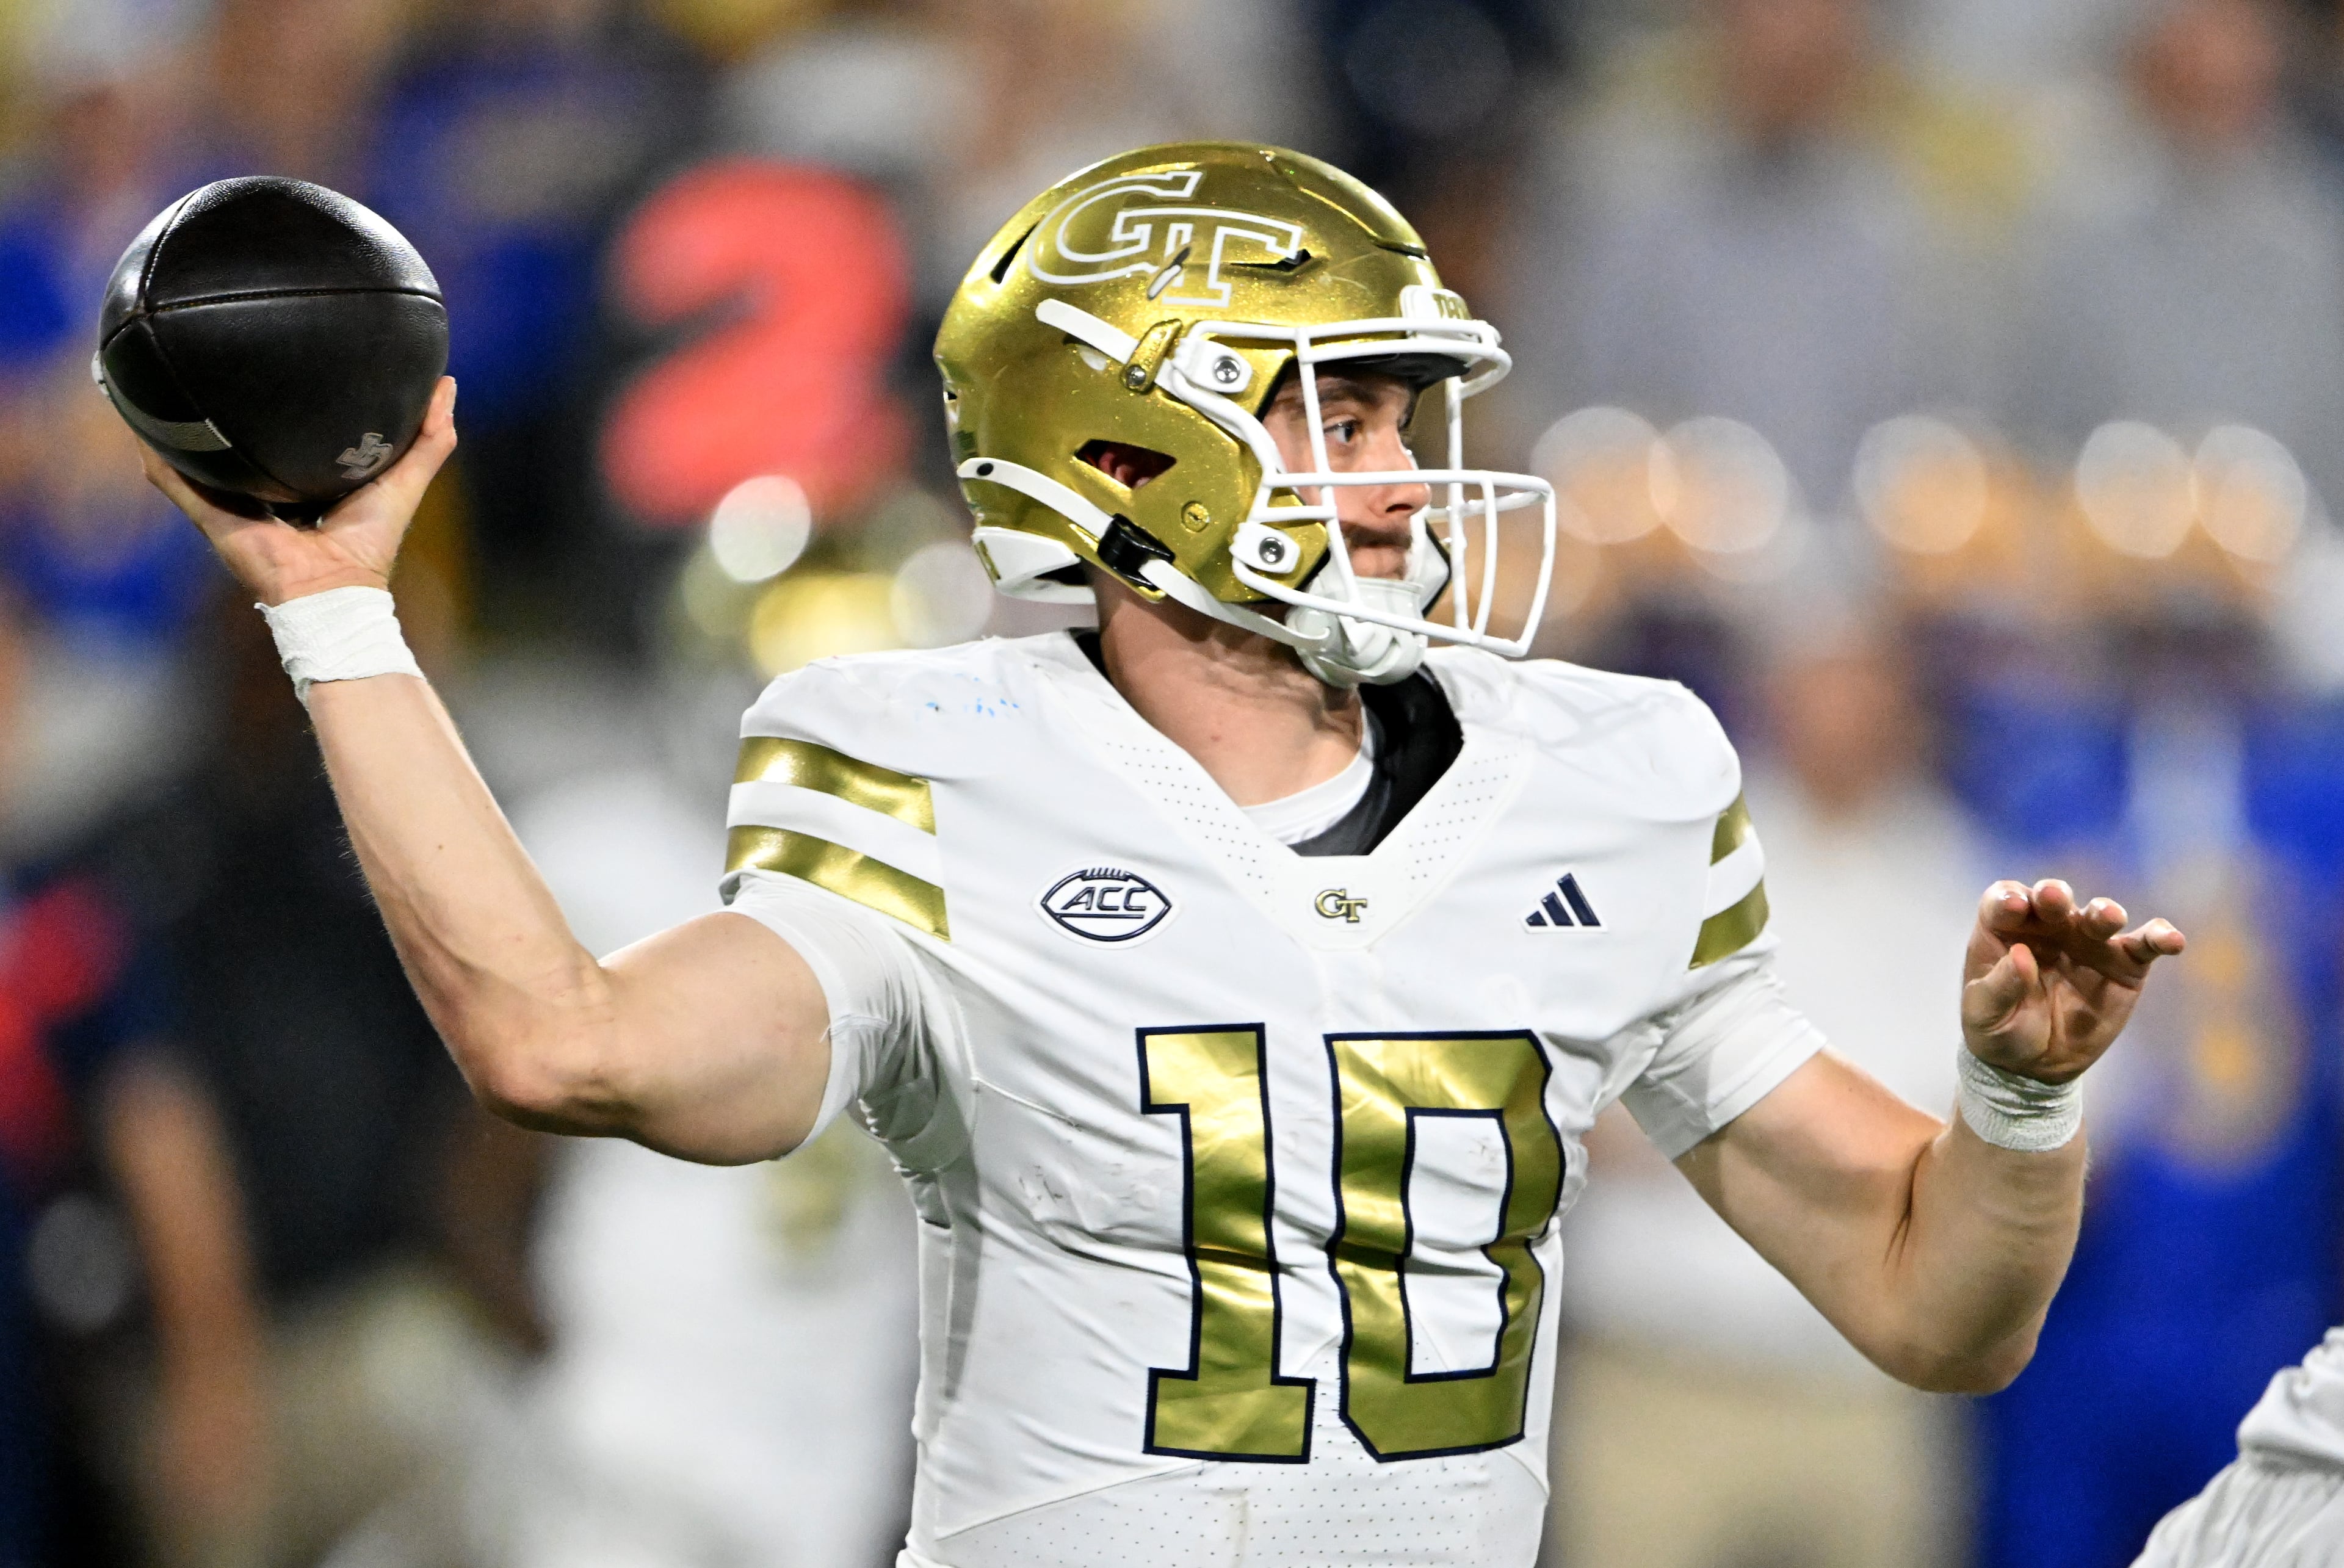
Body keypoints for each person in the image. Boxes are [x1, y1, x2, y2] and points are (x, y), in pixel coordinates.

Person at [139, 141, 2185, 1568]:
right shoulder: (934, 762)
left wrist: (2017, 1099)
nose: (1407, 481)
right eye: (1340, 418)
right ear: (1128, 457)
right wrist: (339, 616)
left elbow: (1935, 1305)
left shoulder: (1606, 774)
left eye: (1406, 418)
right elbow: (566, 1043)